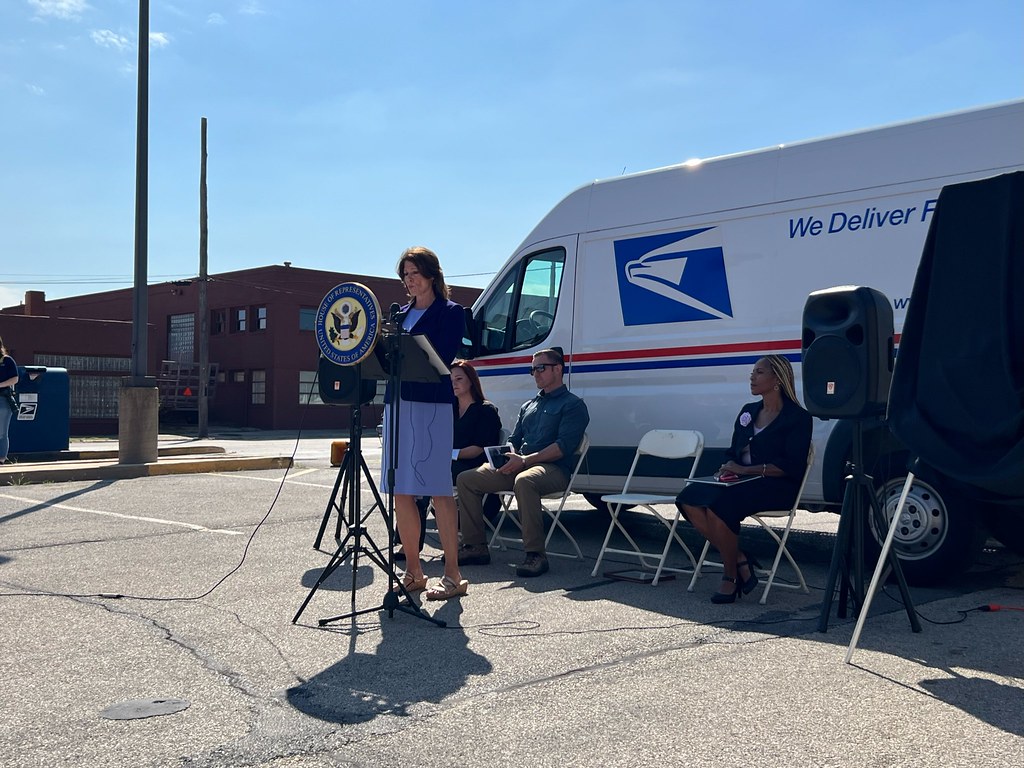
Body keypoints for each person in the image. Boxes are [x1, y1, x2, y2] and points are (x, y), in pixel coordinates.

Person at [676, 355, 812, 603]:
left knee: (721, 505)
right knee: (689, 497)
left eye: (759, 372)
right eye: (753, 372)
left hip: (776, 485)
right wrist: (727, 468)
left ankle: (730, 576)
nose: (752, 377)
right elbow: (733, 451)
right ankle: (739, 558)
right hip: (739, 480)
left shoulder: (798, 418)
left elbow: (790, 466)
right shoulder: (748, 412)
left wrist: (745, 470)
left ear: (777, 380)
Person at [380, 246, 468, 601]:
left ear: (432, 275)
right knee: (401, 487)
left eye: (414, 272)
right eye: (404, 274)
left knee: (437, 488)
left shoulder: (450, 312)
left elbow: (442, 356)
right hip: (398, 405)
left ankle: (453, 574)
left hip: (430, 406)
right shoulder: (398, 314)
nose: (409, 280)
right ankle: (413, 571)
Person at [456, 347, 590, 577]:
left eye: (541, 368)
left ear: (558, 369)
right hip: (519, 464)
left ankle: (535, 554)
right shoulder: (529, 405)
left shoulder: (573, 405)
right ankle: (475, 546)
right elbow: (514, 439)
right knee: (467, 479)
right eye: (532, 369)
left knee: (525, 481)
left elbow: (561, 448)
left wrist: (525, 460)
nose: (536, 373)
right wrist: (506, 457)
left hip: (553, 469)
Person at [398, 359, 503, 559]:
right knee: (416, 473)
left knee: (429, 474)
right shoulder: (448, 410)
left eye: (459, 379)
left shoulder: (485, 410)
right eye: (450, 379)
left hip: (473, 466)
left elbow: (478, 449)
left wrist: (447, 454)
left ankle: (416, 542)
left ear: (471, 381)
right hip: (447, 463)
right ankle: (410, 542)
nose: (453, 383)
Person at [0, 337, 17, 465]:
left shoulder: (7, 361)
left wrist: (1, 384)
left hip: (3, 400)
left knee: (1, 431)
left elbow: (15, 379)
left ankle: (1, 458)